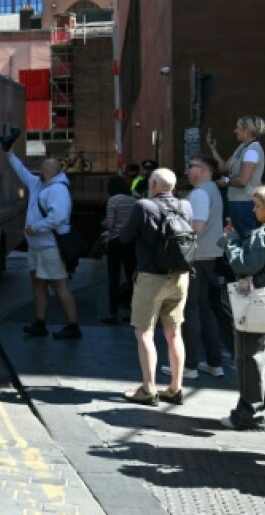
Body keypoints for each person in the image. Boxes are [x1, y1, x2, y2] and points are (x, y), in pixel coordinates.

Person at [117, 168, 193, 405]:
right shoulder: (186, 206)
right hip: (180, 276)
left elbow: (125, 238)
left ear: (152, 184)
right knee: (174, 332)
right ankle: (175, 388)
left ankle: (149, 389)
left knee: (144, 332)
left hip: (151, 277)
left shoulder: (143, 207)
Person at [220, 183, 265, 431]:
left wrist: (230, 239)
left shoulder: (263, 233)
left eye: (257, 205)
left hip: (258, 302)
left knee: (250, 356)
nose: (253, 209)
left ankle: (250, 413)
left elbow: (244, 265)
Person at [5, 147, 81, 340]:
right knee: (38, 282)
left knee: (59, 285)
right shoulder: (39, 184)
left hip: (50, 245)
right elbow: (21, 171)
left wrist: (35, 228)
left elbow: (58, 218)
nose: (40, 172)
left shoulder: (58, 190)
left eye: (44, 170)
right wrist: (9, 153)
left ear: (52, 172)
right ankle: (40, 323)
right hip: (37, 246)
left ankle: (73, 326)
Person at [170, 156, 226, 382]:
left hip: (196, 256)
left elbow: (198, 226)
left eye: (191, 166)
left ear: (202, 170)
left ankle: (190, 366)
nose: (188, 170)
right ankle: (214, 363)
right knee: (205, 308)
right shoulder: (213, 190)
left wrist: (179, 243)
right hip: (209, 256)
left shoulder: (200, 193)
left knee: (190, 309)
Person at [207, 115, 265, 237]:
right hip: (237, 203)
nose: (235, 130)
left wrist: (226, 181)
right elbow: (224, 167)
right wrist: (212, 149)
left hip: (245, 203)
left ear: (247, 131)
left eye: (238, 128)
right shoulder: (242, 147)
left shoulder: (252, 151)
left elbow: (243, 181)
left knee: (246, 240)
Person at [100, 174, 138, 325]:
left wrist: (102, 223)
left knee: (114, 277)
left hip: (115, 241)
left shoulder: (113, 200)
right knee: (132, 277)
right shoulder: (134, 200)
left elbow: (110, 224)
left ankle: (113, 313)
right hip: (132, 240)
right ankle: (134, 313)